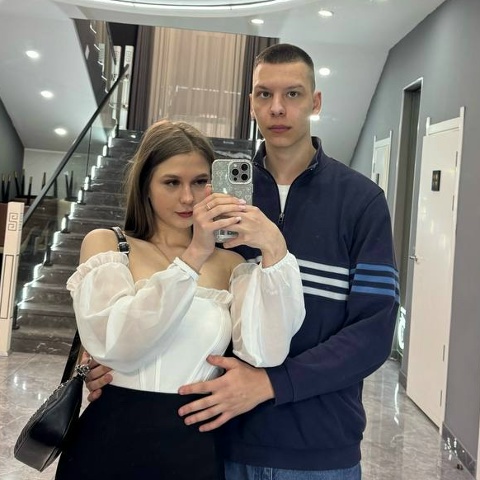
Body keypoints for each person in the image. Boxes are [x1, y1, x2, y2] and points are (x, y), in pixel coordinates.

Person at [86, 44, 399, 479]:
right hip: (220, 440)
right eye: (264, 94)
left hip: (320, 445)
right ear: (250, 103)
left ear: (315, 101)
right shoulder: (214, 198)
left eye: (292, 94)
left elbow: (374, 332)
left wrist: (272, 383)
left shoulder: (361, 201)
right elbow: (164, 290)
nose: (277, 108)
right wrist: (111, 360)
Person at [55, 119, 305, 480]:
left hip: (193, 446)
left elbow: (267, 352)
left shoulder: (232, 265)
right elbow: (117, 344)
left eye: (200, 182)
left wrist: (274, 248)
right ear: (146, 186)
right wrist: (195, 255)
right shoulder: (108, 245)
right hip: (108, 439)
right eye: (171, 182)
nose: (188, 198)